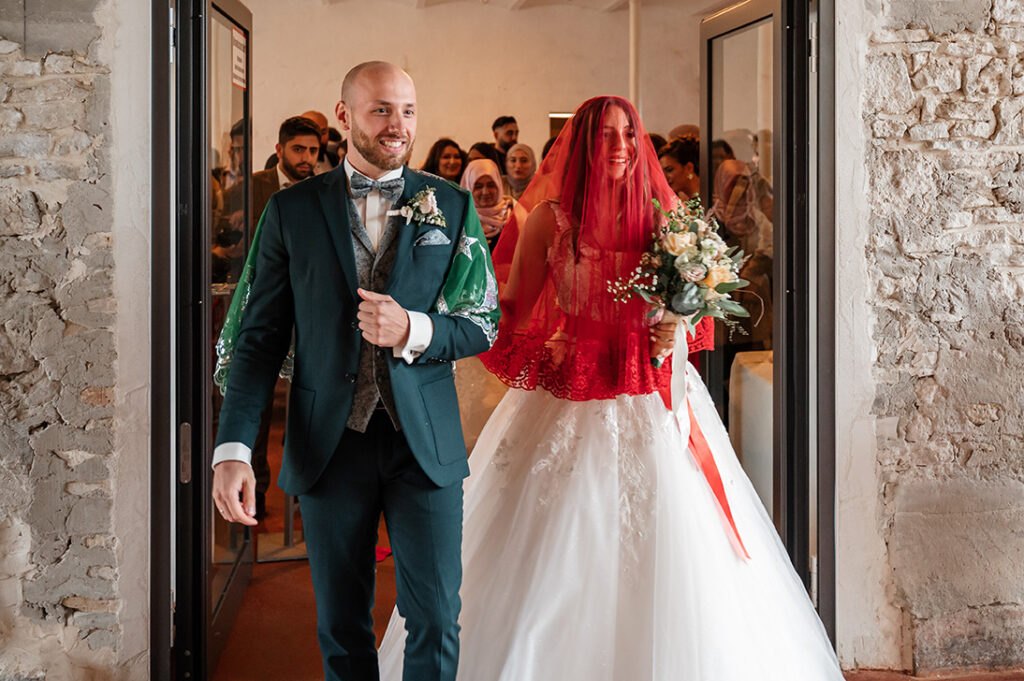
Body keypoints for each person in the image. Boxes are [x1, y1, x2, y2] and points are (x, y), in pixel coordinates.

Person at [378, 96, 843, 680]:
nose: (620, 146)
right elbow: (513, 309)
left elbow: (695, 302)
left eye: (628, 134)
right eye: (605, 136)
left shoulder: (665, 215)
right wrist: (439, 311)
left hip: (652, 392)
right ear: (581, 147)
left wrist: (679, 321)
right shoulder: (549, 220)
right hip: (571, 390)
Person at [212, 61, 498, 681]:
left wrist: (414, 329)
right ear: (344, 116)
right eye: (381, 110)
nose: (398, 125)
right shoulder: (291, 210)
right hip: (330, 443)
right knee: (342, 626)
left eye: (408, 110)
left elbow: (482, 322)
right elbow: (259, 341)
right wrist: (234, 449)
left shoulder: (449, 205)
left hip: (423, 443)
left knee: (436, 617)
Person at [461, 158, 526, 250]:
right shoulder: (460, 219)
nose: (485, 192)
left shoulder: (515, 214)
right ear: (469, 187)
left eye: (491, 185)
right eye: (478, 187)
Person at [265, 110, 339, 174]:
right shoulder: (279, 160)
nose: (318, 139)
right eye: (310, 134)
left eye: (323, 132)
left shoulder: (334, 159)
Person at [659, 134, 700, 200]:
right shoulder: (682, 201)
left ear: (689, 168)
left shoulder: (709, 200)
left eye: (669, 170)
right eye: (661, 172)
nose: (664, 178)